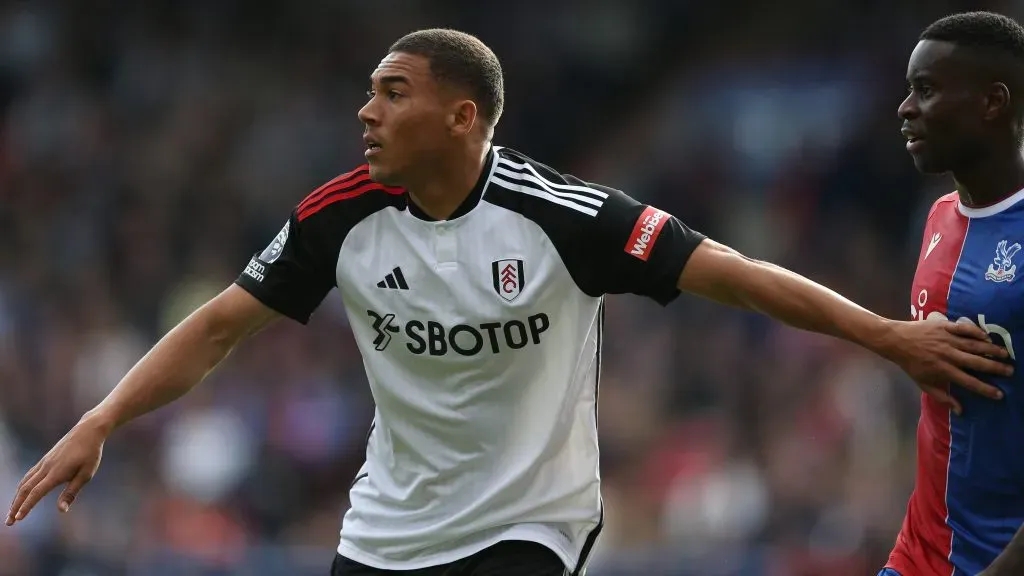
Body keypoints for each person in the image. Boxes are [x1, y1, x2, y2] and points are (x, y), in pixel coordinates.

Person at [6, 28, 1012, 576]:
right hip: (387, 530)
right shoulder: (336, 218)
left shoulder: (567, 217)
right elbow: (220, 326)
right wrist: (104, 418)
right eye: (369, 91)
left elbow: (739, 274)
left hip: (528, 527)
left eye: (392, 92)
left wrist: (885, 337)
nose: (365, 110)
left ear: (462, 116)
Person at [884, 11, 1024, 576]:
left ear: (992, 102)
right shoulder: (939, 217)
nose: (905, 108)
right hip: (921, 553)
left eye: (926, 89)